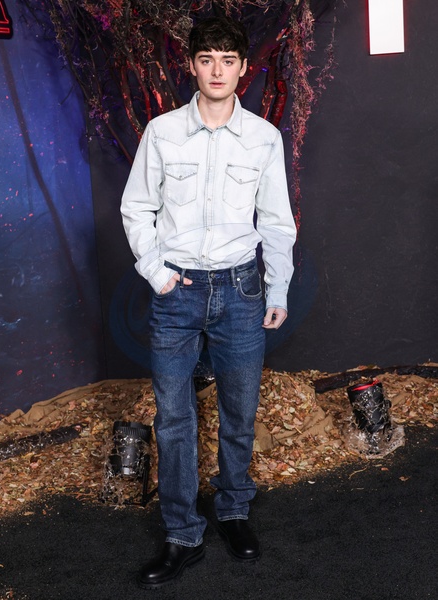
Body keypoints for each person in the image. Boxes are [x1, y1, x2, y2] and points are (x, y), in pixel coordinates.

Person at [121, 15, 297, 589]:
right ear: (191, 65)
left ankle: (234, 509)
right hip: (178, 293)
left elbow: (277, 221)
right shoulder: (162, 132)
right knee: (174, 417)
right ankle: (181, 534)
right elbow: (136, 207)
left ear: (243, 69)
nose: (217, 71)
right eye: (206, 59)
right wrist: (158, 274)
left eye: (227, 60)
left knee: (239, 410)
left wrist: (278, 287)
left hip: (241, 290)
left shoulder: (263, 138)